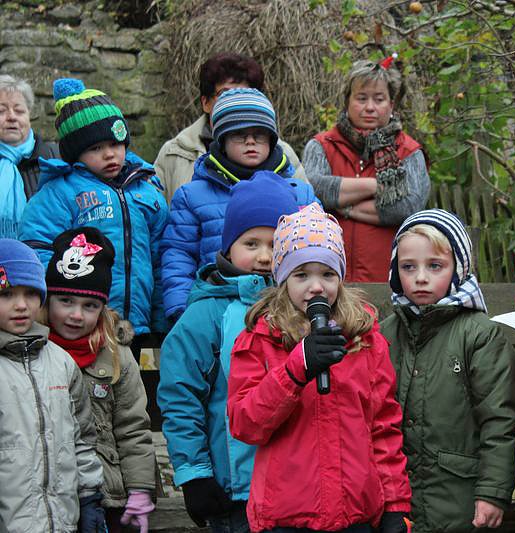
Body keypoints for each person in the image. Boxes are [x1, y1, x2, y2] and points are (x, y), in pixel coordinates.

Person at [227, 203, 412, 532]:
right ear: (283, 279)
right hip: (286, 517)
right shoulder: (260, 338)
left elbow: (383, 427)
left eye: (327, 274)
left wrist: (395, 504)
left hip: (355, 514)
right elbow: (245, 423)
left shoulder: (364, 339)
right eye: (302, 275)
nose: (316, 287)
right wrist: (296, 370)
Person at [158, 172, 300, 532]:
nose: (265, 256)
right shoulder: (206, 314)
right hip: (233, 489)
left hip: (298, 487)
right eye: (251, 243)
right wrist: (194, 474)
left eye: (275, 243)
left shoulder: (303, 308)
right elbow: (181, 395)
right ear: (227, 247)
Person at [380, 209, 515, 532]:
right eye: (408, 267)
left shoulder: (479, 334)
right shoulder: (385, 334)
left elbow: (499, 420)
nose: (420, 277)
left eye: (435, 266)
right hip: (395, 497)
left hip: (460, 495)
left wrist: (492, 492)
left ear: (458, 268)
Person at [20, 77, 169, 336]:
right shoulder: (59, 193)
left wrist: (161, 320)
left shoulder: (147, 191)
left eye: (115, 144)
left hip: (137, 324)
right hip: (81, 322)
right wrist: (64, 304)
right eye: (96, 148)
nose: (109, 154)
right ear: (75, 153)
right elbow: (37, 250)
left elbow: (159, 258)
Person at [161, 88, 319, 322]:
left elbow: (319, 251)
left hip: (287, 312)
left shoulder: (299, 195)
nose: (250, 142)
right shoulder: (193, 195)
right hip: (214, 311)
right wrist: (182, 311)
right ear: (222, 140)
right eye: (239, 135)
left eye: (260, 135)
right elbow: (178, 255)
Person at [42, 227, 156, 533]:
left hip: (109, 497)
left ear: (102, 308)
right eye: (66, 300)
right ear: (48, 300)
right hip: (50, 497)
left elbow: (132, 427)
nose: (76, 315)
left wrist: (140, 488)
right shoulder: (34, 353)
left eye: (89, 306)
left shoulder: (116, 354)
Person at [0, 239, 106, 532]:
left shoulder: (60, 362)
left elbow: (82, 439)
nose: (21, 305)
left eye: (31, 294)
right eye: (7, 294)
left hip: (63, 521)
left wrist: (89, 498)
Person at [304, 55, 430, 282]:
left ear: (391, 105)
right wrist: (378, 186)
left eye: (379, 99)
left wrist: (343, 206)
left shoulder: (409, 151)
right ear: (347, 101)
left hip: (389, 281)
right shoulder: (321, 146)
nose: (370, 107)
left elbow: (410, 206)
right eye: (361, 98)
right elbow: (312, 190)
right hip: (327, 281)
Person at [154, 52, 306, 202]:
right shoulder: (175, 152)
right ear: (205, 102)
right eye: (225, 93)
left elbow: (307, 210)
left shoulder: (282, 154)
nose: (234, 101)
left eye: (244, 94)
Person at [0, 74, 59, 238]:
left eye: (19, 111)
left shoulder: (54, 160)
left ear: (29, 115)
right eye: (1, 111)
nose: (12, 117)